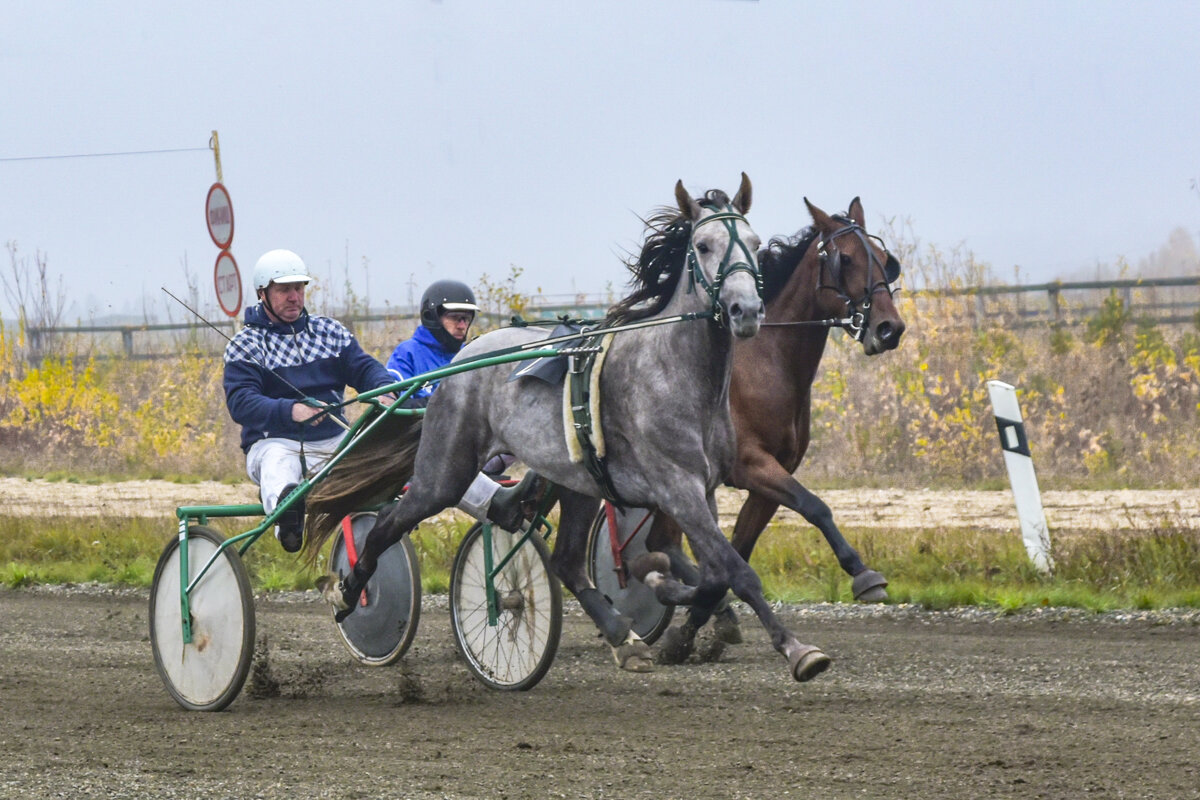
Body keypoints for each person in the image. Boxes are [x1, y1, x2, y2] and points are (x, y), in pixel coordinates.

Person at [223, 249, 397, 552]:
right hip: (274, 443)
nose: (294, 297)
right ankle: (287, 522)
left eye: (299, 288)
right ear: (262, 293)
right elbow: (241, 402)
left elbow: (365, 368)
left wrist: (384, 388)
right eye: (284, 290)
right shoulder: (245, 345)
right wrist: (292, 410)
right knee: (280, 464)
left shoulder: (329, 332)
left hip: (333, 441)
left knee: (378, 455)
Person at [386, 280, 536, 530]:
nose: (462, 325)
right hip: (424, 452)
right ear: (433, 317)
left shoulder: (470, 356)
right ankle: (499, 504)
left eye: (467, 319)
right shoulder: (408, 353)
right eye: (455, 318)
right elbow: (394, 403)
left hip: (478, 450)